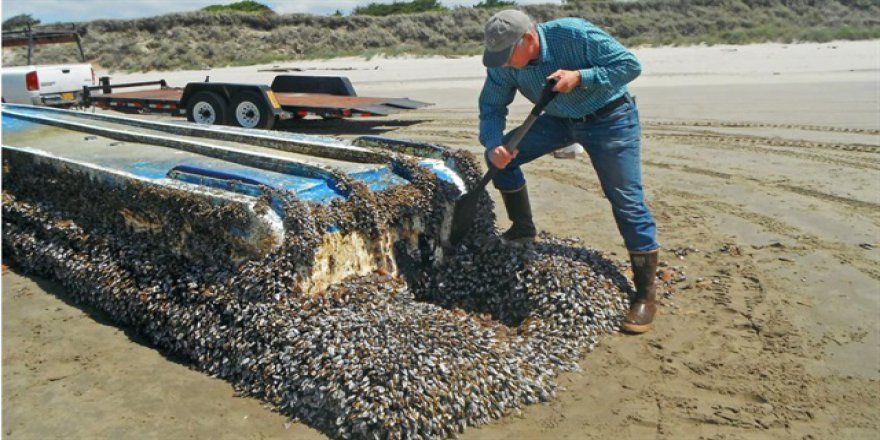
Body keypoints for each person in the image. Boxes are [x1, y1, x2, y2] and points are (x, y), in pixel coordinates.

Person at [479, 10, 660, 333]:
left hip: (610, 119)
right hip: (556, 121)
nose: (504, 63)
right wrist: (494, 144)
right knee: (500, 160)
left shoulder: (575, 35)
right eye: (497, 57)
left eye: (508, 55)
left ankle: (645, 293)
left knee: (626, 199)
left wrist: (581, 77)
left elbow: (630, 66)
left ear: (529, 40)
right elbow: (492, 107)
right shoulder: (503, 66)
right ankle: (522, 228)